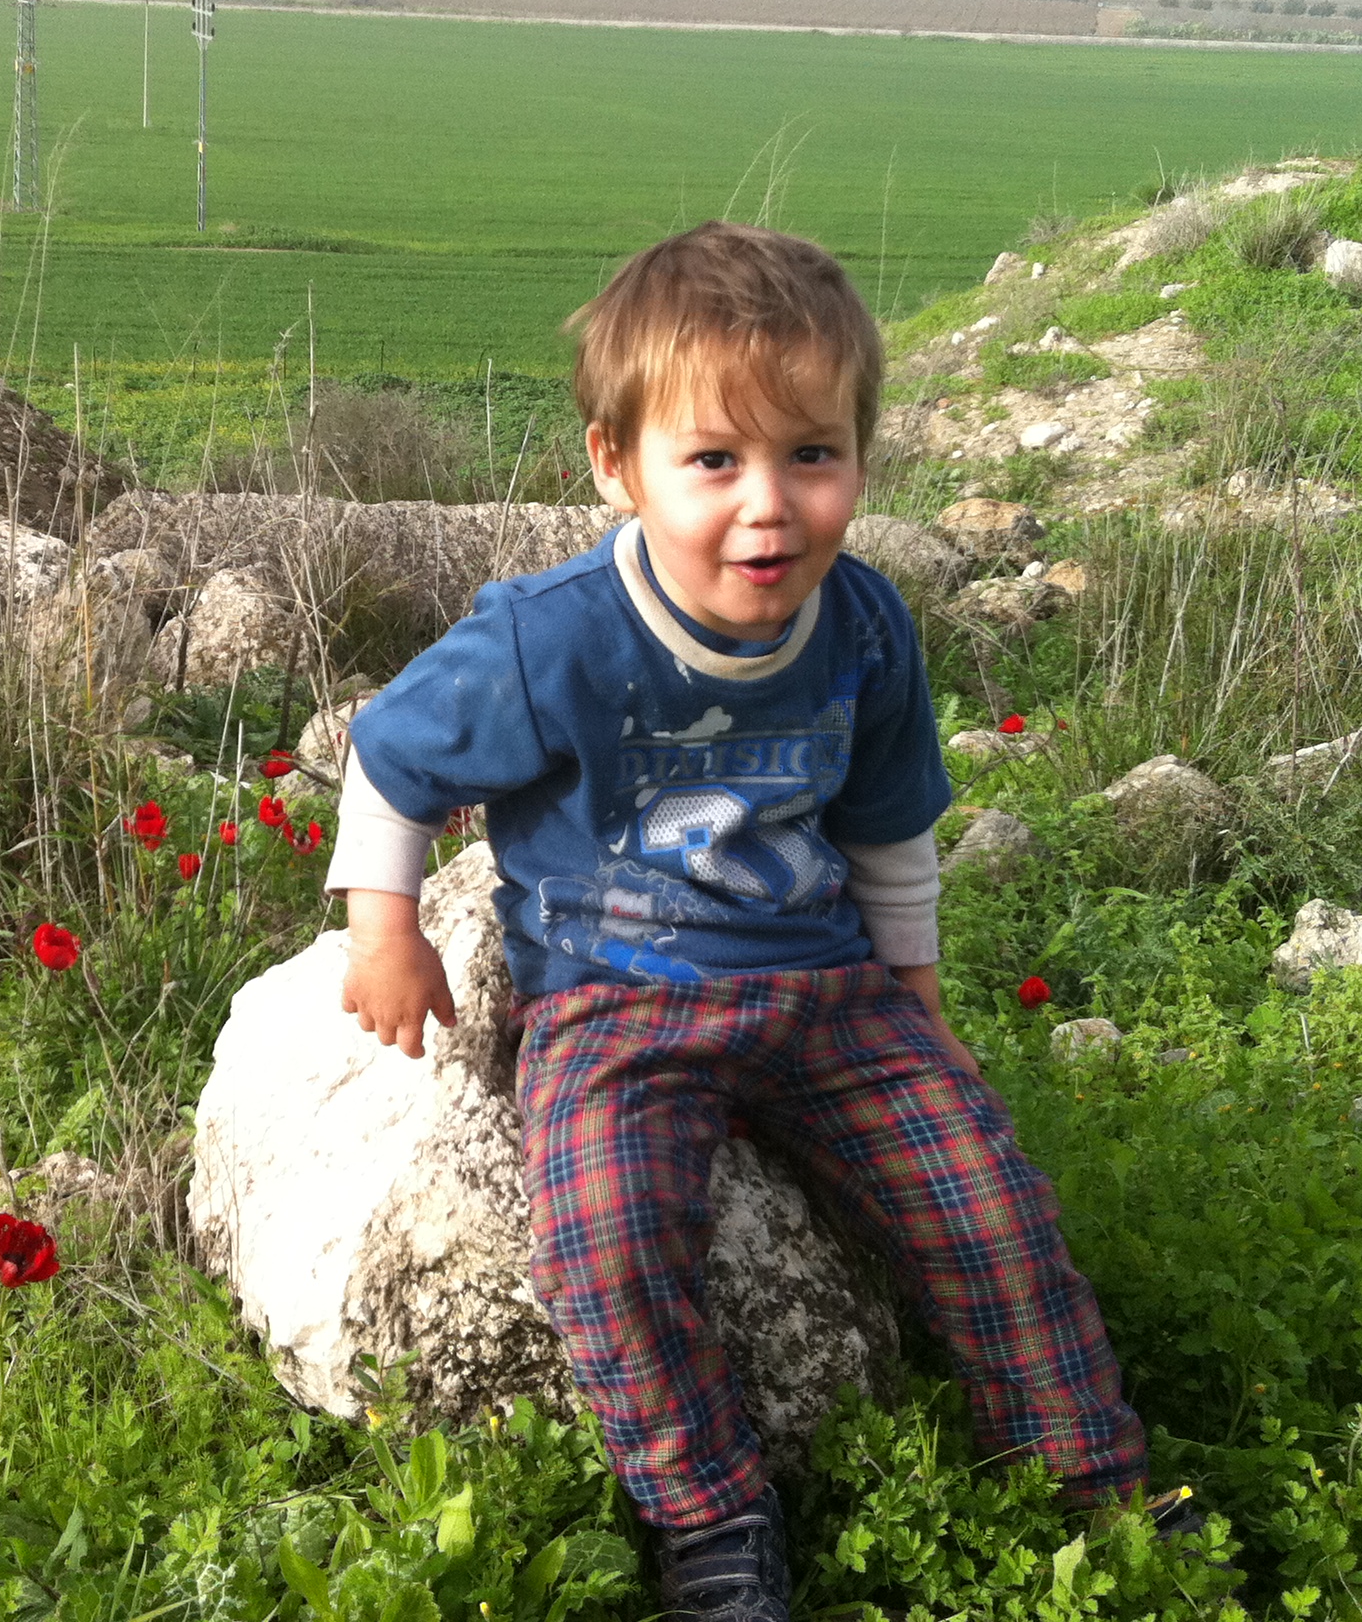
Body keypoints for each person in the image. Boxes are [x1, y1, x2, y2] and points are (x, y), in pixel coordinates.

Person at [321, 222, 1176, 1622]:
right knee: (605, 1242)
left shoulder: (864, 628)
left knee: (992, 1206)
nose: (767, 506)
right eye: (713, 460)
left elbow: (890, 829)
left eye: (811, 454)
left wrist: (920, 1003)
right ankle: (711, 1517)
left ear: (862, 458)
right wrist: (384, 930)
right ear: (617, 463)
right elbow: (394, 755)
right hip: (613, 998)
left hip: (826, 988)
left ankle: (1092, 1478)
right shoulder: (555, 636)